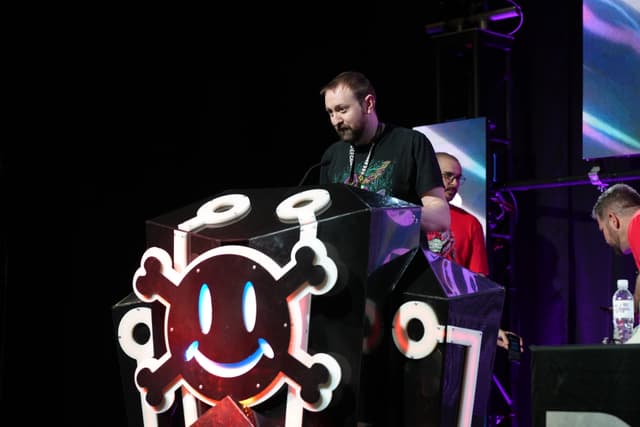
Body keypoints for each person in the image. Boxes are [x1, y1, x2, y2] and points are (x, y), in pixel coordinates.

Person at [318, 70, 450, 234]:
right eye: (330, 112)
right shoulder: (331, 156)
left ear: (369, 104)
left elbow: (441, 218)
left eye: (342, 110)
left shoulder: (411, 143)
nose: (335, 120)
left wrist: (386, 212)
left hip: (400, 257)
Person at [435, 151, 521, 352]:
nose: (454, 184)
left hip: (455, 322)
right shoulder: (407, 214)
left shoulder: (470, 222)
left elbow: (477, 283)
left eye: (458, 178)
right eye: (448, 176)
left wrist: (488, 326)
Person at [591, 182, 640, 324]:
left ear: (613, 220)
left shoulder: (637, 222)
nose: (606, 240)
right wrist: (634, 305)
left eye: (603, 230)